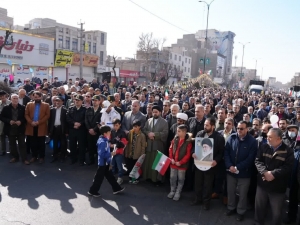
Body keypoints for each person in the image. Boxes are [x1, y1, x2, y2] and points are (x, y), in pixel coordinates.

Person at [255, 128, 294, 225]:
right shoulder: (264, 147)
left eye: (270, 137)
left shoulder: (288, 151)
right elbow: (258, 161)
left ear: (279, 139)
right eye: (267, 136)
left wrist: (273, 174)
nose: (267, 138)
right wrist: (264, 172)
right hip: (262, 184)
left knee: (277, 212)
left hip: (278, 187)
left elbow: (288, 167)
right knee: (259, 208)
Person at [224, 121, 258, 221]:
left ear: (247, 129)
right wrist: (229, 165)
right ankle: (231, 208)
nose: (239, 130)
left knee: (243, 194)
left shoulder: (252, 141)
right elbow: (226, 152)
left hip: (244, 173)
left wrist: (237, 167)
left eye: (242, 129)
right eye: (238, 128)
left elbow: (251, 158)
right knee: (231, 191)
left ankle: (241, 211)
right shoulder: (232, 137)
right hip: (230, 171)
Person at [191, 117, 225, 210]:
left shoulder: (219, 137)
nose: (204, 126)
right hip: (199, 163)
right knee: (198, 182)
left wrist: (216, 161)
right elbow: (194, 146)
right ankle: (197, 199)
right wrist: (193, 152)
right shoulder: (200, 133)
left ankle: (206, 202)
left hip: (210, 165)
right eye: (204, 124)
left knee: (208, 184)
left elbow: (221, 152)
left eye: (207, 125)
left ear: (213, 126)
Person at [88, 125, 125, 197]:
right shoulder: (103, 142)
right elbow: (101, 154)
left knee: (110, 176)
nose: (110, 133)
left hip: (105, 162)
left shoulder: (103, 139)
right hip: (103, 163)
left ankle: (116, 188)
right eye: (109, 132)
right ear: (105, 133)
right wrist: (111, 153)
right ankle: (92, 191)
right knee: (99, 178)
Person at [143, 105, 168, 185]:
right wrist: (148, 134)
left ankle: (156, 179)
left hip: (158, 145)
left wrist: (154, 135)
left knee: (157, 162)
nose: (154, 114)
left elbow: (165, 133)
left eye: (156, 112)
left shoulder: (164, 122)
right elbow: (145, 129)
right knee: (149, 162)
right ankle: (148, 177)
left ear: (160, 112)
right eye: (153, 112)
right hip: (149, 145)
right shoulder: (149, 120)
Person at [0, 94, 28, 165]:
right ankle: (15, 157)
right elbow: (1, 117)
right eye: (14, 98)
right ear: (10, 99)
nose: (15, 100)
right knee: (12, 144)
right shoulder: (6, 108)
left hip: (20, 128)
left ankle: (24, 159)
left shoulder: (23, 107)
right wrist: (9, 121)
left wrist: (21, 121)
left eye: (16, 98)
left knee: (22, 144)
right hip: (10, 128)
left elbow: (26, 117)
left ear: (18, 99)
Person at [168, 124, 192, 201]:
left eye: (179, 131)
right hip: (173, 163)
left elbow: (188, 155)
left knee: (181, 179)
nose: (177, 132)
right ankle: (172, 191)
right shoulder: (175, 139)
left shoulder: (188, 142)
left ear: (184, 132)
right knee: (172, 178)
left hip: (182, 165)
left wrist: (181, 162)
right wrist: (171, 159)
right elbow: (170, 149)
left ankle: (178, 192)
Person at [25, 91, 50, 163]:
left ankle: (42, 157)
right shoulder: (29, 104)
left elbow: (47, 115)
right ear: (33, 97)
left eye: (39, 97)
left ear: (41, 97)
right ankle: (34, 156)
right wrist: (31, 122)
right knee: (33, 143)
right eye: (35, 97)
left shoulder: (46, 105)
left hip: (41, 126)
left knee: (42, 143)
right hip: (31, 126)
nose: (37, 98)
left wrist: (39, 122)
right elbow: (26, 114)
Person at [282, 124, 300, 224]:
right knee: (292, 199)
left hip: (297, 175)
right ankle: (291, 218)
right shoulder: (285, 140)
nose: (291, 132)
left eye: (293, 130)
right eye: (289, 130)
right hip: (288, 173)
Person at [66, 95, 87, 165]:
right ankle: (73, 159)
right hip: (72, 129)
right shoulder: (71, 108)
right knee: (72, 145)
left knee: (81, 146)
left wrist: (80, 124)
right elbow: (68, 117)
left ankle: (81, 160)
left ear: (82, 101)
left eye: (78, 100)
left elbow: (86, 119)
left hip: (81, 130)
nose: (77, 101)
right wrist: (74, 123)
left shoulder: (85, 109)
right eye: (75, 100)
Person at [124, 119, 146, 184]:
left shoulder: (142, 135)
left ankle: (136, 179)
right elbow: (127, 144)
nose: (135, 128)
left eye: (136, 127)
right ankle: (131, 178)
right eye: (134, 126)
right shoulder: (130, 133)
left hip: (137, 155)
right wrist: (126, 153)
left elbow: (143, 146)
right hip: (130, 153)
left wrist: (142, 155)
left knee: (136, 167)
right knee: (130, 167)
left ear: (139, 127)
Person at [48, 96, 68, 163]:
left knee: (63, 144)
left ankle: (63, 156)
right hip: (54, 129)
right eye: (56, 101)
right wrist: (49, 130)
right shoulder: (52, 110)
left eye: (59, 101)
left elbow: (66, 122)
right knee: (55, 143)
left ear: (62, 102)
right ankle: (55, 156)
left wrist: (66, 131)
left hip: (62, 129)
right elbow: (50, 121)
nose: (57, 102)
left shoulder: (65, 110)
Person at [85, 95, 102, 165]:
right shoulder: (88, 109)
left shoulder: (102, 110)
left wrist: (94, 130)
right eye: (93, 100)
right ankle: (91, 160)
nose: (94, 102)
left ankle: (98, 161)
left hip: (97, 132)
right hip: (89, 132)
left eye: (96, 100)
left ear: (99, 101)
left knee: (98, 147)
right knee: (90, 146)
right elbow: (86, 120)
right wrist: (90, 129)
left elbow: (101, 121)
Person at [110, 119, 128, 185]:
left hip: (119, 152)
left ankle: (120, 178)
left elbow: (123, 144)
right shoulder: (112, 131)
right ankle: (113, 176)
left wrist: (114, 146)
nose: (115, 127)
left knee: (120, 166)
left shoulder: (122, 133)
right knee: (112, 165)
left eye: (117, 125)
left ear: (120, 125)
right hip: (113, 152)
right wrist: (110, 145)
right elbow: (109, 140)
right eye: (114, 125)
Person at [0, 90, 11, 156]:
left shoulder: (10, 103)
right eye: (0, 96)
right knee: (2, 137)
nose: (2, 97)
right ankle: (3, 150)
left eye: (3, 96)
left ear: (6, 96)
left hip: (9, 122)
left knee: (10, 137)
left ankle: (11, 150)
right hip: (1, 123)